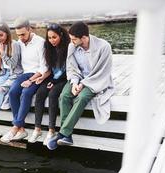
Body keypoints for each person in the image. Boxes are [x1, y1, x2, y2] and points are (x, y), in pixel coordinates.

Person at [47, 21, 114, 150]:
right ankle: (67, 136)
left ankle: (63, 133)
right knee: (65, 96)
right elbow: (71, 68)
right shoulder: (72, 47)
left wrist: (83, 84)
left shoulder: (104, 47)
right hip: (78, 79)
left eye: (73, 39)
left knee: (82, 97)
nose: (71, 42)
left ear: (84, 38)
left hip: (96, 80)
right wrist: (74, 83)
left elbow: (102, 72)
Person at [0, 18, 49, 143]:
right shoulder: (19, 43)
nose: (21, 37)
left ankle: (15, 126)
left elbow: (44, 67)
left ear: (29, 29)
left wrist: (31, 80)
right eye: (18, 35)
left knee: (26, 93)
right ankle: (21, 130)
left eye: (23, 34)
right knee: (12, 92)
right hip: (24, 73)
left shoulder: (41, 43)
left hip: (38, 75)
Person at [28, 23, 70, 144]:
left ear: (61, 35)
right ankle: (37, 129)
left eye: (54, 37)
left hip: (64, 79)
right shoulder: (49, 47)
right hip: (52, 77)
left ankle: (51, 130)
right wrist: (42, 77)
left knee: (53, 95)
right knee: (40, 93)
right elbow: (50, 69)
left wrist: (53, 81)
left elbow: (67, 70)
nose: (52, 40)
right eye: (49, 37)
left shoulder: (68, 47)